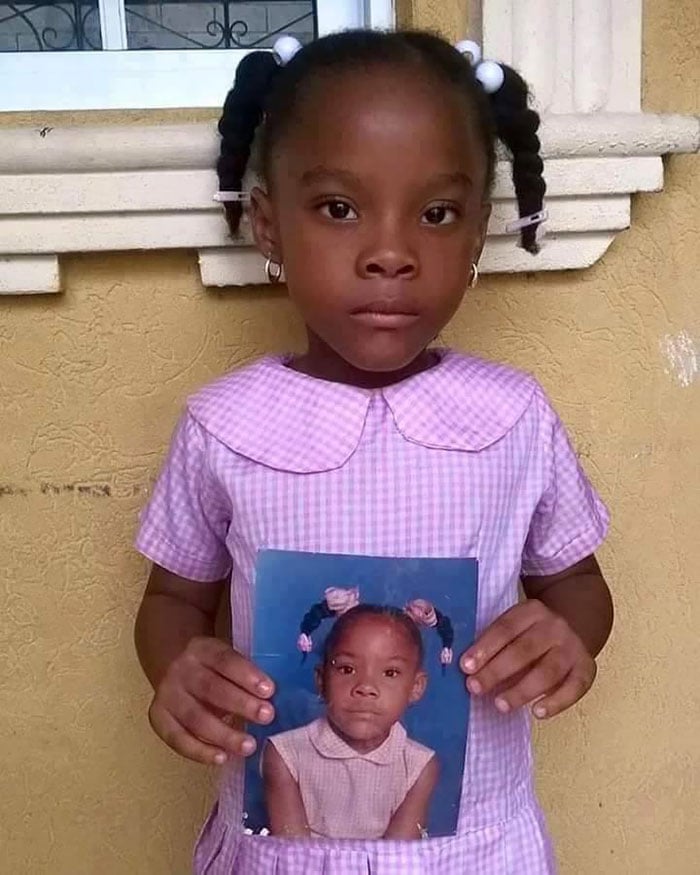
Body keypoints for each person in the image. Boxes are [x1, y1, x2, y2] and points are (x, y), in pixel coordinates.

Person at [133, 28, 613, 875]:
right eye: (339, 208)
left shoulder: (514, 416)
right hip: (285, 845)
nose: (391, 252)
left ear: (475, 239)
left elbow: (576, 583)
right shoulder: (224, 426)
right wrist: (178, 668)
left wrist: (569, 636)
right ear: (268, 225)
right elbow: (174, 596)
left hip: (473, 846)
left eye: (436, 214)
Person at [263, 603, 444, 840]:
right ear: (321, 679)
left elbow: (399, 860)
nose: (366, 687)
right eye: (347, 669)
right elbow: (293, 853)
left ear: (416, 687)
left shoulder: (420, 765)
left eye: (390, 673)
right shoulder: (285, 754)